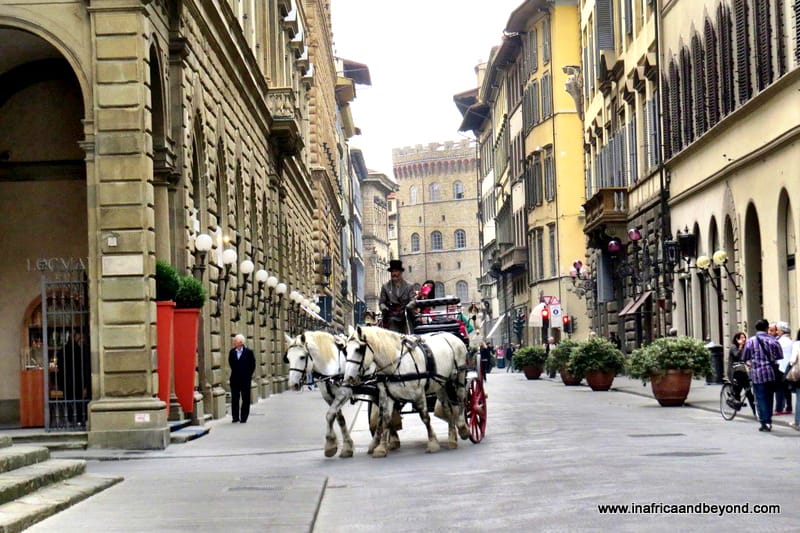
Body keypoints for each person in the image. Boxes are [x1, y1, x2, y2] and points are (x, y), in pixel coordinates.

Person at [741, 319, 783, 432]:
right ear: (767, 328)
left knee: (760, 398)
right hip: (770, 373)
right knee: (769, 397)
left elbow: (745, 356)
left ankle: (764, 422)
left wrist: (751, 362)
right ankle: (769, 420)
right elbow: (779, 355)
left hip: (757, 373)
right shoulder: (773, 340)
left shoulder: (751, 341)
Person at [55, 330, 91, 425]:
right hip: (78, 379)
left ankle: (69, 419)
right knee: (79, 400)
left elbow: (59, 367)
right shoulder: (80, 351)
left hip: (66, 380)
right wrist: (85, 383)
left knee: (69, 400)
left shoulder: (61, 351)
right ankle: (79, 420)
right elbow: (84, 366)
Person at [379, 260, 416, 333]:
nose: (394, 274)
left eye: (396, 271)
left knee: (408, 327)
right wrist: (384, 308)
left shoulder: (409, 286)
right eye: (392, 272)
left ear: (401, 272)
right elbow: (381, 302)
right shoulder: (385, 287)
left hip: (405, 315)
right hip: (392, 315)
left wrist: (408, 306)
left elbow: (413, 300)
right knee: (392, 326)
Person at [228, 333, 256, 423]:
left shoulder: (248, 352)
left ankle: (244, 417)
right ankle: (235, 417)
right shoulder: (232, 352)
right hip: (235, 379)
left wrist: (248, 375)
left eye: (235, 341)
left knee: (245, 399)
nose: (234, 342)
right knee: (235, 399)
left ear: (241, 342)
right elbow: (231, 363)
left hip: (245, 380)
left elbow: (253, 365)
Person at [775, 321, 793, 415]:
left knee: (779, 389)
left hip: (780, 367)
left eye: (778, 330)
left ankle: (779, 408)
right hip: (788, 367)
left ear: (781, 331)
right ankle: (789, 407)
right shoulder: (791, 341)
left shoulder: (780, 341)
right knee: (787, 389)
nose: (777, 332)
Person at [789, 329, 800, 430]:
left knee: (799, 399)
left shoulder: (796, 344)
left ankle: (798, 422)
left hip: (799, 375)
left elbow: (792, 360)